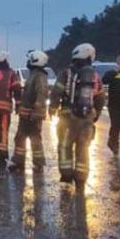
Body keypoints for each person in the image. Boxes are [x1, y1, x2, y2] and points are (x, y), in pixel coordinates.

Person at [50, 43, 105, 188]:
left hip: (68, 118)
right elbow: (100, 97)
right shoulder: (94, 75)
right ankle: (81, 178)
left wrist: (52, 108)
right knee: (83, 148)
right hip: (86, 120)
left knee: (65, 147)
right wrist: (95, 114)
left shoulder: (66, 73)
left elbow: (56, 92)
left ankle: (66, 175)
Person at [9, 50, 49, 171]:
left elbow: (41, 94)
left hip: (32, 115)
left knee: (34, 139)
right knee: (20, 138)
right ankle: (19, 162)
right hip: (26, 114)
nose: (28, 62)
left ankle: (38, 163)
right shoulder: (34, 75)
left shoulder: (39, 77)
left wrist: (37, 112)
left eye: (30, 59)